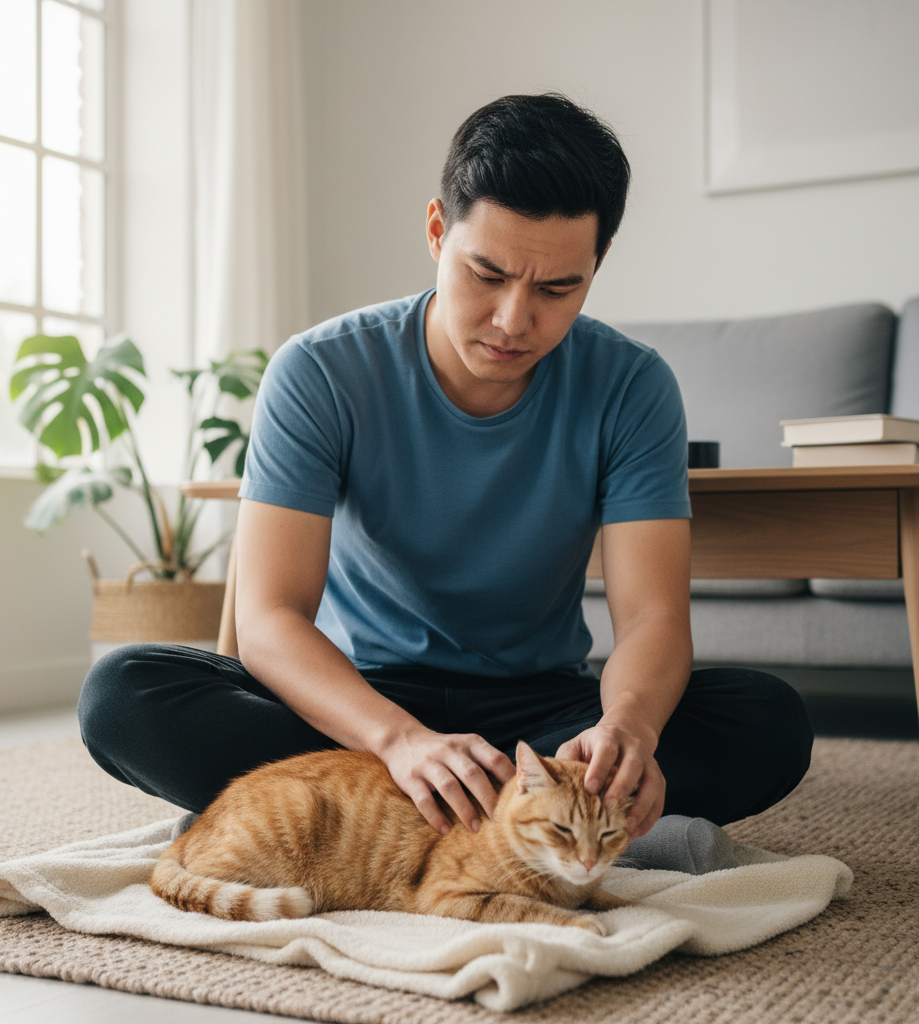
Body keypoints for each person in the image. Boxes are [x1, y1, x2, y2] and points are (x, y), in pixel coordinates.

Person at [79, 94, 812, 869]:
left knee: (767, 720)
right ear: (437, 230)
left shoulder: (632, 386)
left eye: (557, 289)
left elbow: (653, 618)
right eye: (487, 274)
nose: (512, 319)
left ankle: (392, 818)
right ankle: (513, 819)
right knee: (123, 694)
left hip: (540, 715)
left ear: (595, 268)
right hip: (359, 704)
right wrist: (399, 740)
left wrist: (628, 728)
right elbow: (267, 618)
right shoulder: (321, 371)